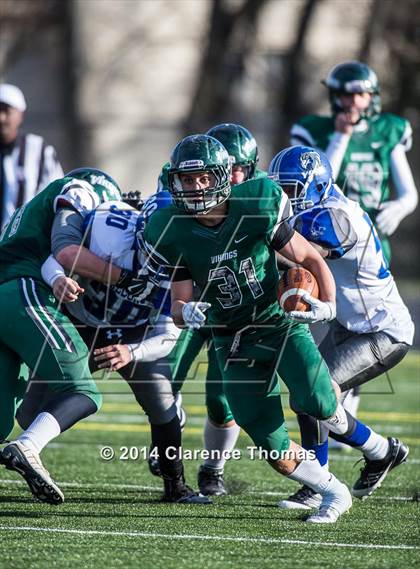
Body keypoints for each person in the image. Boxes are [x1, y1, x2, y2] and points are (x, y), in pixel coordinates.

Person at [143, 133, 354, 524]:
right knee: (269, 443)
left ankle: (365, 440)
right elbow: (178, 302)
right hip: (230, 339)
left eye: (204, 178)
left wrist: (329, 306)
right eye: (187, 181)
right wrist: (184, 313)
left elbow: (309, 256)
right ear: (175, 183)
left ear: (222, 176)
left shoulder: (255, 203)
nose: (196, 187)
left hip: (276, 322)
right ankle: (334, 491)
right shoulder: (172, 229)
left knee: (318, 401)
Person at [18, 192, 210, 504]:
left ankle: (176, 485)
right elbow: (54, 261)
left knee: (163, 402)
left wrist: (131, 352)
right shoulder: (113, 232)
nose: (162, 251)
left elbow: (168, 336)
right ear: (140, 228)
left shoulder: (182, 268)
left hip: (134, 335)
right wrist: (57, 281)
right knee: (28, 413)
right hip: (81, 324)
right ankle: (27, 446)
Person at [268, 145, 412, 509]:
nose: (284, 198)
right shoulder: (320, 206)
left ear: (315, 186)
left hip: (382, 329)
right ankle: (324, 479)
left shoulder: (336, 216)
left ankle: (379, 451)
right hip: (350, 324)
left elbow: (301, 254)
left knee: (314, 393)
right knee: (307, 393)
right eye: (279, 189)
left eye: (290, 190)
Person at [0, 167, 126, 504]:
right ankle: (28, 447)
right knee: (82, 390)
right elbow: (66, 249)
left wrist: (57, 276)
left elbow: (47, 255)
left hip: (10, 293)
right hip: (21, 294)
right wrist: (121, 275)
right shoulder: (79, 189)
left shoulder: (28, 215)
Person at [159, 123, 263, 496]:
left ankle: (213, 470)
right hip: (185, 297)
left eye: (239, 168)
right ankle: (170, 440)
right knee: (163, 379)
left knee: (221, 399)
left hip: (233, 311)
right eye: (225, 166)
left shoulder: (257, 198)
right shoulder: (185, 185)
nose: (232, 175)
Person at [290, 61, 418, 265]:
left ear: (372, 96)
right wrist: (341, 136)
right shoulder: (317, 132)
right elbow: (320, 181)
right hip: (329, 234)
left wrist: (400, 207)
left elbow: (409, 193)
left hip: (373, 233)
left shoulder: (388, 130)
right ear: (335, 96)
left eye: (361, 95)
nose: (354, 102)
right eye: (347, 95)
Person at [0, 83, 63, 229]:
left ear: (21, 114)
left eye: (6, 111)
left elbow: (57, 192)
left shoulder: (39, 150)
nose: (1, 118)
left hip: (25, 243)